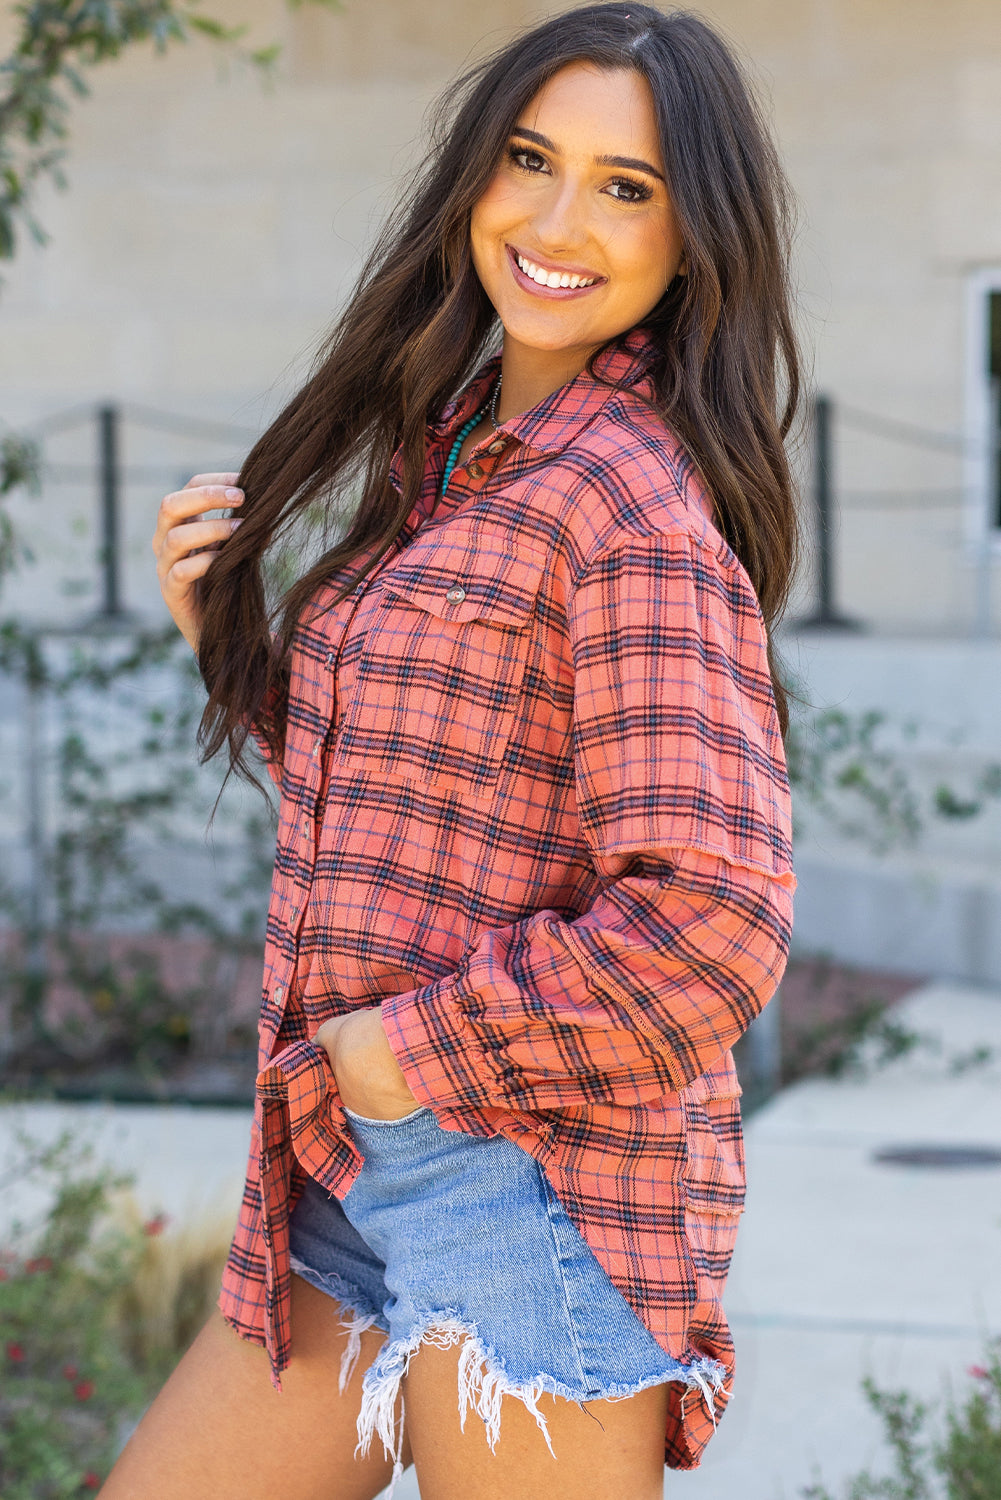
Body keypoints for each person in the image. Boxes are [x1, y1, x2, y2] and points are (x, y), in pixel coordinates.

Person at [109, 5, 800, 1497]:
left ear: (697, 238)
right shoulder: (467, 458)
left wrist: (391, 1058)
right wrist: (223, 645)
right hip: (356, 1180)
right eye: (528, 161)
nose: (558, 222)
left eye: (627, 187)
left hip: (523, 1193)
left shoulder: (627, 513)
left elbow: (711, 923)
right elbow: (427, 813)